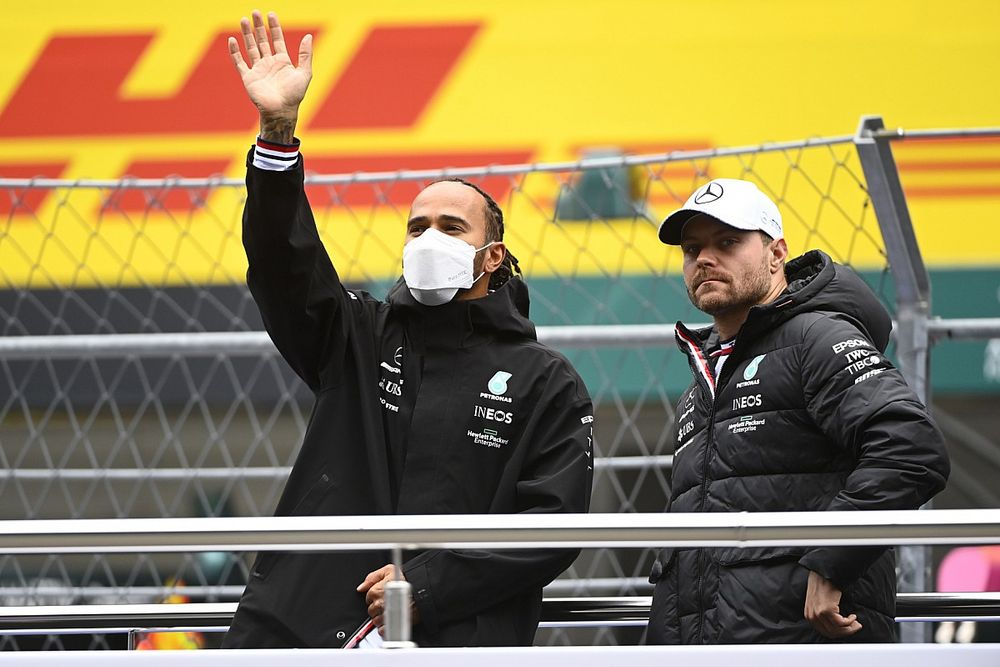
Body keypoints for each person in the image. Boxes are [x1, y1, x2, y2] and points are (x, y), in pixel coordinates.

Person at [221, 11, 593, 648]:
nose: (428, 238)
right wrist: (278, 132)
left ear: (492, 256)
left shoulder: (545, 381)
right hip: (308, 630)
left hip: (459, 642)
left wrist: (427, 586)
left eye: (452, 228)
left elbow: (549, 528)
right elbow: (286, 266)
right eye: (417, 227)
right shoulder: (359, 335)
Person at [645, 178, 950, 644]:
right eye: (692, 249)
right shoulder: (704, 378)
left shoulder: (815, 337)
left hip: (801, 645)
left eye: (728, 242)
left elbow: (912, 450)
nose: (705, 259)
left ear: (776, 253)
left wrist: (833, 558)